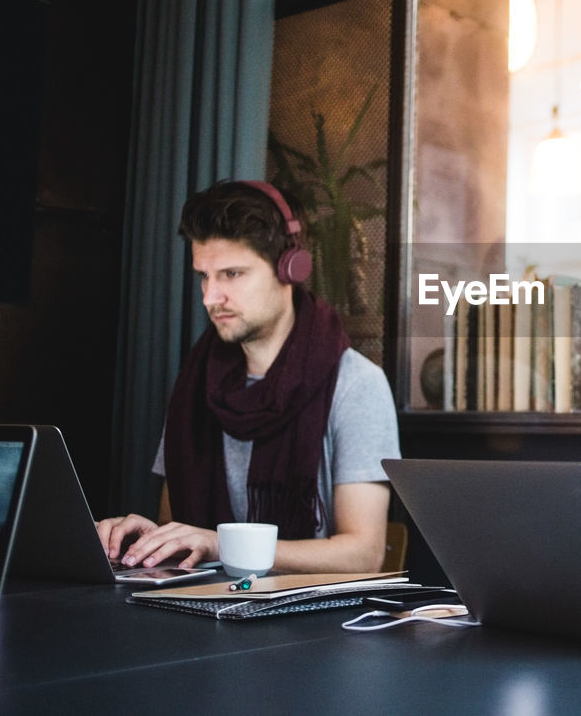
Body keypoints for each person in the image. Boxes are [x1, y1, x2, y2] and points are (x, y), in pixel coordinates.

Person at [97, 180, 400, 573]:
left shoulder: (357, 383)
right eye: (204, 276)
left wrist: (224, 546)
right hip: (202, 611)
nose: (210, 297)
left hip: (310, 624)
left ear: (290, 268)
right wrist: (152, 541)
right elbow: (186, 532)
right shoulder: (196, 382)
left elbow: (364, 555)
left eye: (232, 274)